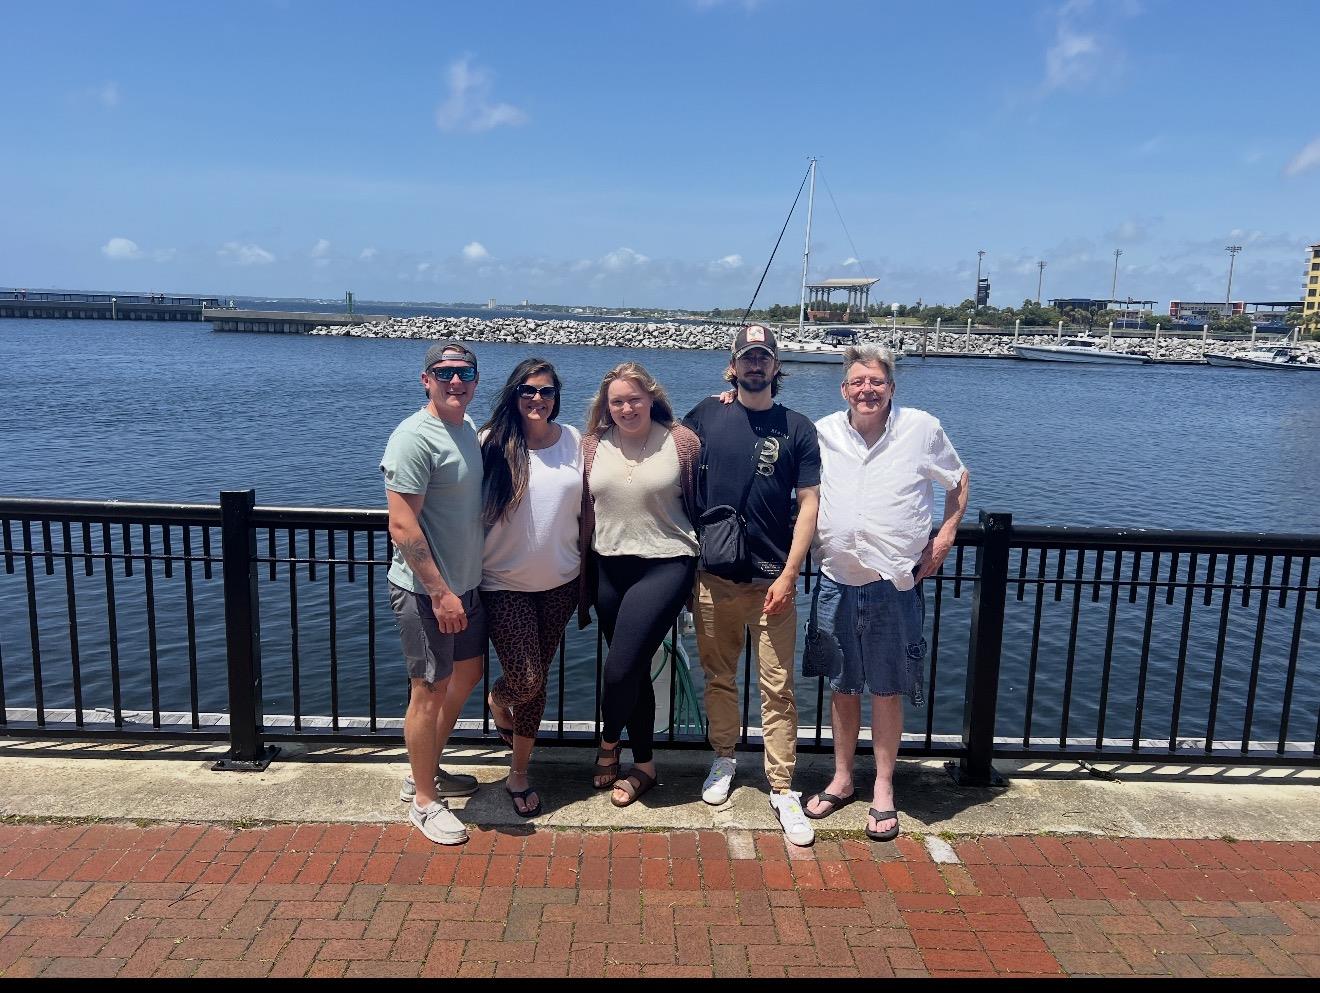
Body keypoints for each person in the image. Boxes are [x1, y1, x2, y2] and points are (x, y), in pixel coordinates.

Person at [802, 343, 968, 842]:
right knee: (842, 686)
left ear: (891, 388)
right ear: (844, 389)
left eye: (876, 382)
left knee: (888, 689)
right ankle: (842, 778)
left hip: (894, 583)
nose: (867, 390)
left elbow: (958, 480)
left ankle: (884, 788)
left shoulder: (920, 428)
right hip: (835, 580)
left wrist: (945, 536)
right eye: (858, 382)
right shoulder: (823, 432)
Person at [682, 324, 821, 846]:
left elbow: (809, 503)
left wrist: (790, 573)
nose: (755, 366)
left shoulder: (798, 427)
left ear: (776, 366)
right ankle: (723, 759)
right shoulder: (706, 414)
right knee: (719, 677)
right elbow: (659, 449)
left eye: (764, 358)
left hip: (772, 583)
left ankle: (781, 786)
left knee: (778, 687)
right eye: (747, 358)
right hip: (712, 578)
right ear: (733, 366)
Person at [579, 362, 700, 807]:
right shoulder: (592, 445)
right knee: (634, 670)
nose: (626, 408)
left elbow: (703, 496)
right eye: (617, 401)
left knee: (620, 667)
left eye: (634, 399)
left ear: (652, 397)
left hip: (667, 563)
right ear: (605, 406)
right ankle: (645, 765)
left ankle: (609, 742)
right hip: (609, 565)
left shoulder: (682, 442)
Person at [381, 341, 486, 846]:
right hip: (430, 592)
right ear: (426, 379)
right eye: (444, 372)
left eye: (464, 372)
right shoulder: (413, 436)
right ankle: (423, 800)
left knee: (467, 673)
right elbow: (402, 524)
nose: (455, 381)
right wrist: (440, 592)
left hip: (466, 586)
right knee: (428, 689)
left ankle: (426, 770)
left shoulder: (465, 430)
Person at [478, 358, 582, 818]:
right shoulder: (489, 443)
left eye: (546, 390)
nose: (537, 398)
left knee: (537, 680)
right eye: (527, 390)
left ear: (557, 396)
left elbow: (633, 425)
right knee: (526, 678)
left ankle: (518, 772)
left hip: (562, 582)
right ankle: (499, 700)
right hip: (503, 583)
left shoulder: (577, 442)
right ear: (513, 395)